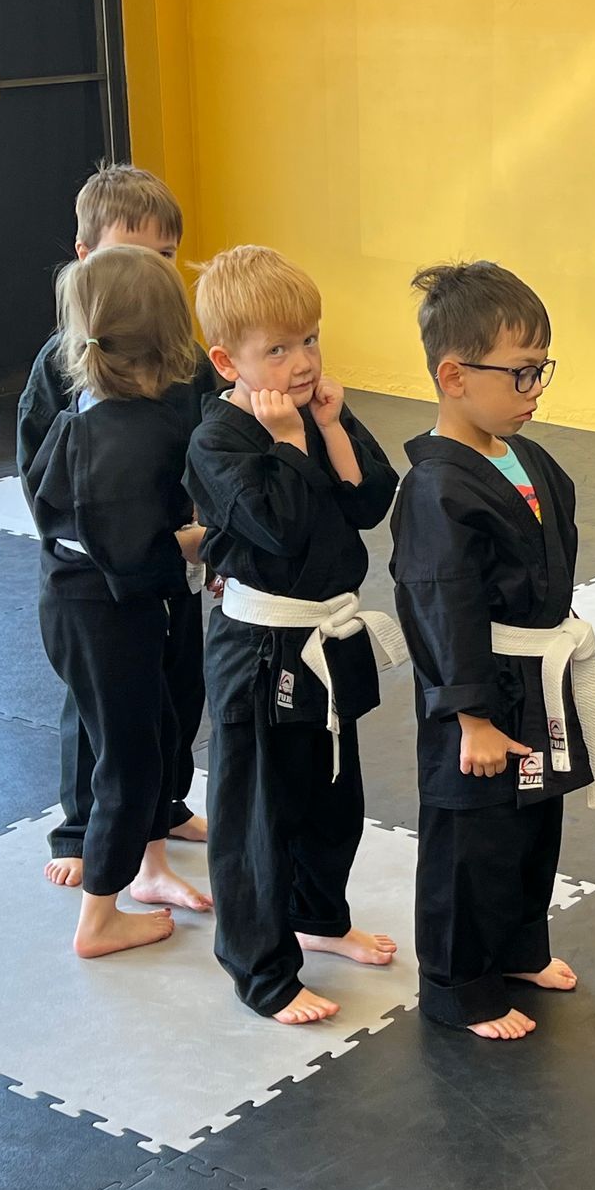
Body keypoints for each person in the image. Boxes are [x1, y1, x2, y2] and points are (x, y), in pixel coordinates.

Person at [390, 260, 595, 1042]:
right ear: (454, 376)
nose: (536, 390)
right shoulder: (435, 488)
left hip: (535, 673)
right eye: (521, 374)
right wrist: (468, 717)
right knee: (469, 842)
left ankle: (519, 948)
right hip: (477, 692)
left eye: (540, 370)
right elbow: (437, 603)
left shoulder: (530, 460)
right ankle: (458, 986)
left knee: (531, 824)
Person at [185, 245, 403, 1026]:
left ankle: (320, 919)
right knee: (258, 816)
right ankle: (261, 972)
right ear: (226, 360)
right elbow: (276, 528)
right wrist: (286, 445)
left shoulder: (316, 408)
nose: (303, 360)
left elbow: (370, 500)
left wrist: (331, 423)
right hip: (261, 649)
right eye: (277, 349)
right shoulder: (218, 440)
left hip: (328, 636)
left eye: (309, 339)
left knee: (333, 797)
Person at [16, 164, 216, 909]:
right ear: (83, 256)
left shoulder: (182, 361)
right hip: (99, 575)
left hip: (170, 563)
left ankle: (160, 806)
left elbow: (200, 452)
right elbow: (39, 470)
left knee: (174, 692)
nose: (147, 275)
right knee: (100, 707)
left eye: (162, 260)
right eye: (127, 257)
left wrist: (204, 541)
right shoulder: (64, 361)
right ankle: (84, 830)